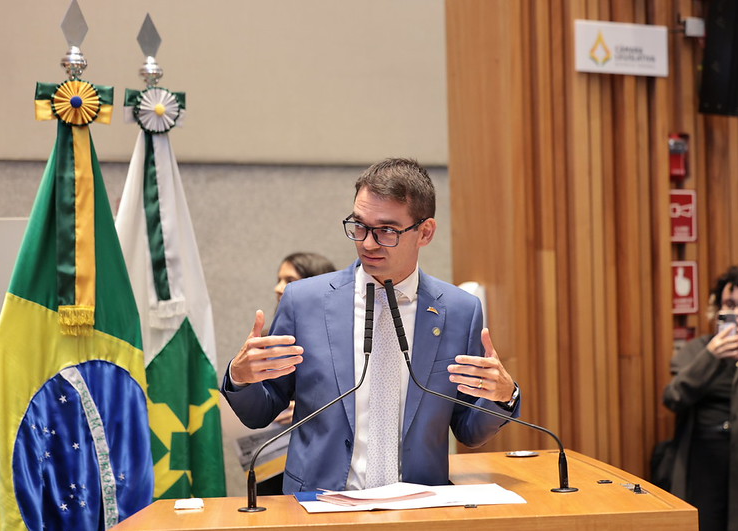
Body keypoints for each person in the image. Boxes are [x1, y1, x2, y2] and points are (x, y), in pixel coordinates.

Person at [222, 157, 520, 494]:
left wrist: (503, 397)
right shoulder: (304, 302)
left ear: (425, 232)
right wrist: (240, 377)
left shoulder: (459, 311)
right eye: (359, 225)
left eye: (387, 230)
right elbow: (261, 411)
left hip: (418, 505)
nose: (367, 243)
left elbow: (469, 430)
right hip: (319, 503)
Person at [663, 265, 738, 531]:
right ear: (717, 308)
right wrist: (710, 356)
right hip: (700, 466)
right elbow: (673, 398)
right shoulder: (696, 350)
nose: (737, 313)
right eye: (729, 304)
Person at [255, 252, 336, 494]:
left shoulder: (339, 341)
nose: (278, 288)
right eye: (279, 280)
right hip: (270, 459)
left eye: (289, 281)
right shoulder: (268, 337)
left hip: (321, 461)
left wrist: (305, 410)